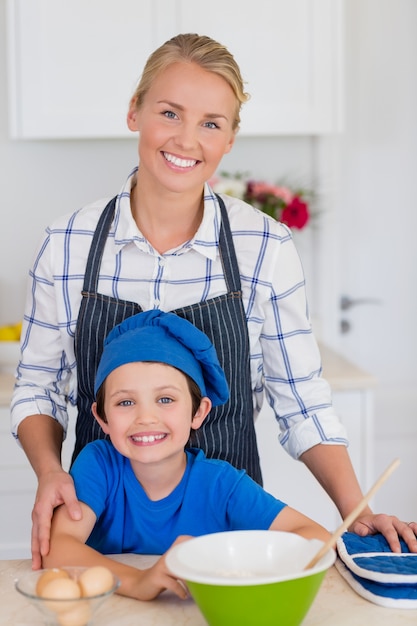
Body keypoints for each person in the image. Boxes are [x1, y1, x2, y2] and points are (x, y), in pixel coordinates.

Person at [11, 33, 416, 571]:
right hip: (99, 549)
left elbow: (302, 400)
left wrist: (355, 509)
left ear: (229, 139)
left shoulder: (265, 245)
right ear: (135, 112)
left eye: (211, 123)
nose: (186, 139)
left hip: (232, 544)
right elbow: (37, 387)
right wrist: (50, 475)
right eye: (170, 112)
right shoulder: (68, 243)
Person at [43, 309, 331, 600]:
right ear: (102, 417)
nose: (145, 417)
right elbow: (58, 548)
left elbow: (315, 537)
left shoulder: (221, 484)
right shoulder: (98, 465)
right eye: (126, 402)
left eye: (165, 399)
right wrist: (140, 582)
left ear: (199, 412)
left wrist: (227, 560)